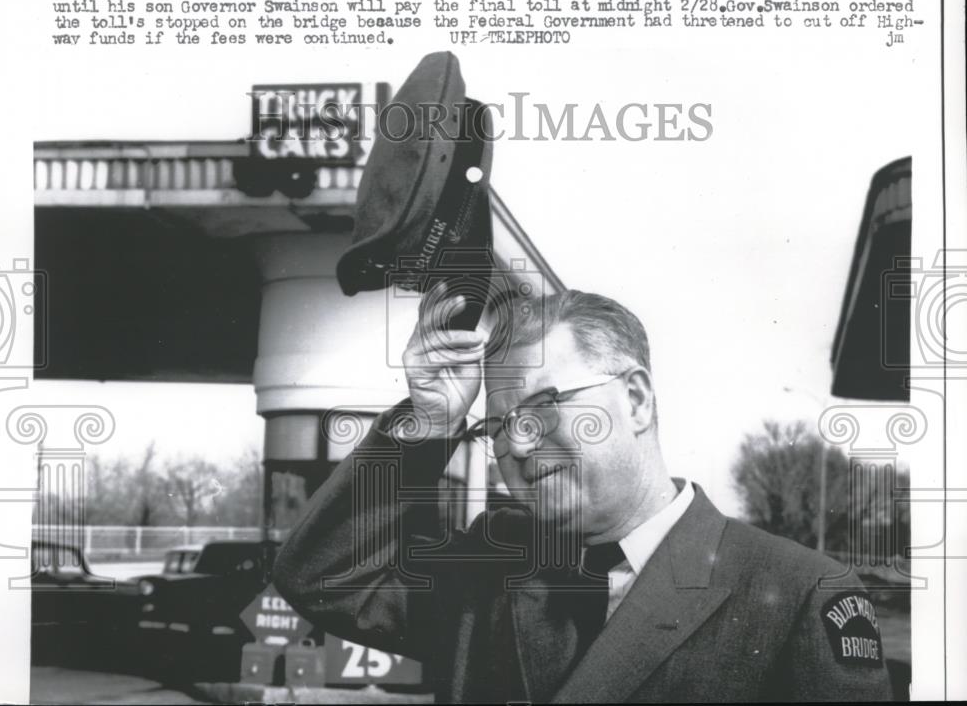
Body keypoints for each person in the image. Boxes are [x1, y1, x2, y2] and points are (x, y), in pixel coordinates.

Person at [273, 285, 894, 703]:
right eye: (495, 425)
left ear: (636, 399)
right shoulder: (490, 568)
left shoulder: (798, 594)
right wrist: (429, 423)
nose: (515, 445)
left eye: (543, 407)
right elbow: (324, 574)